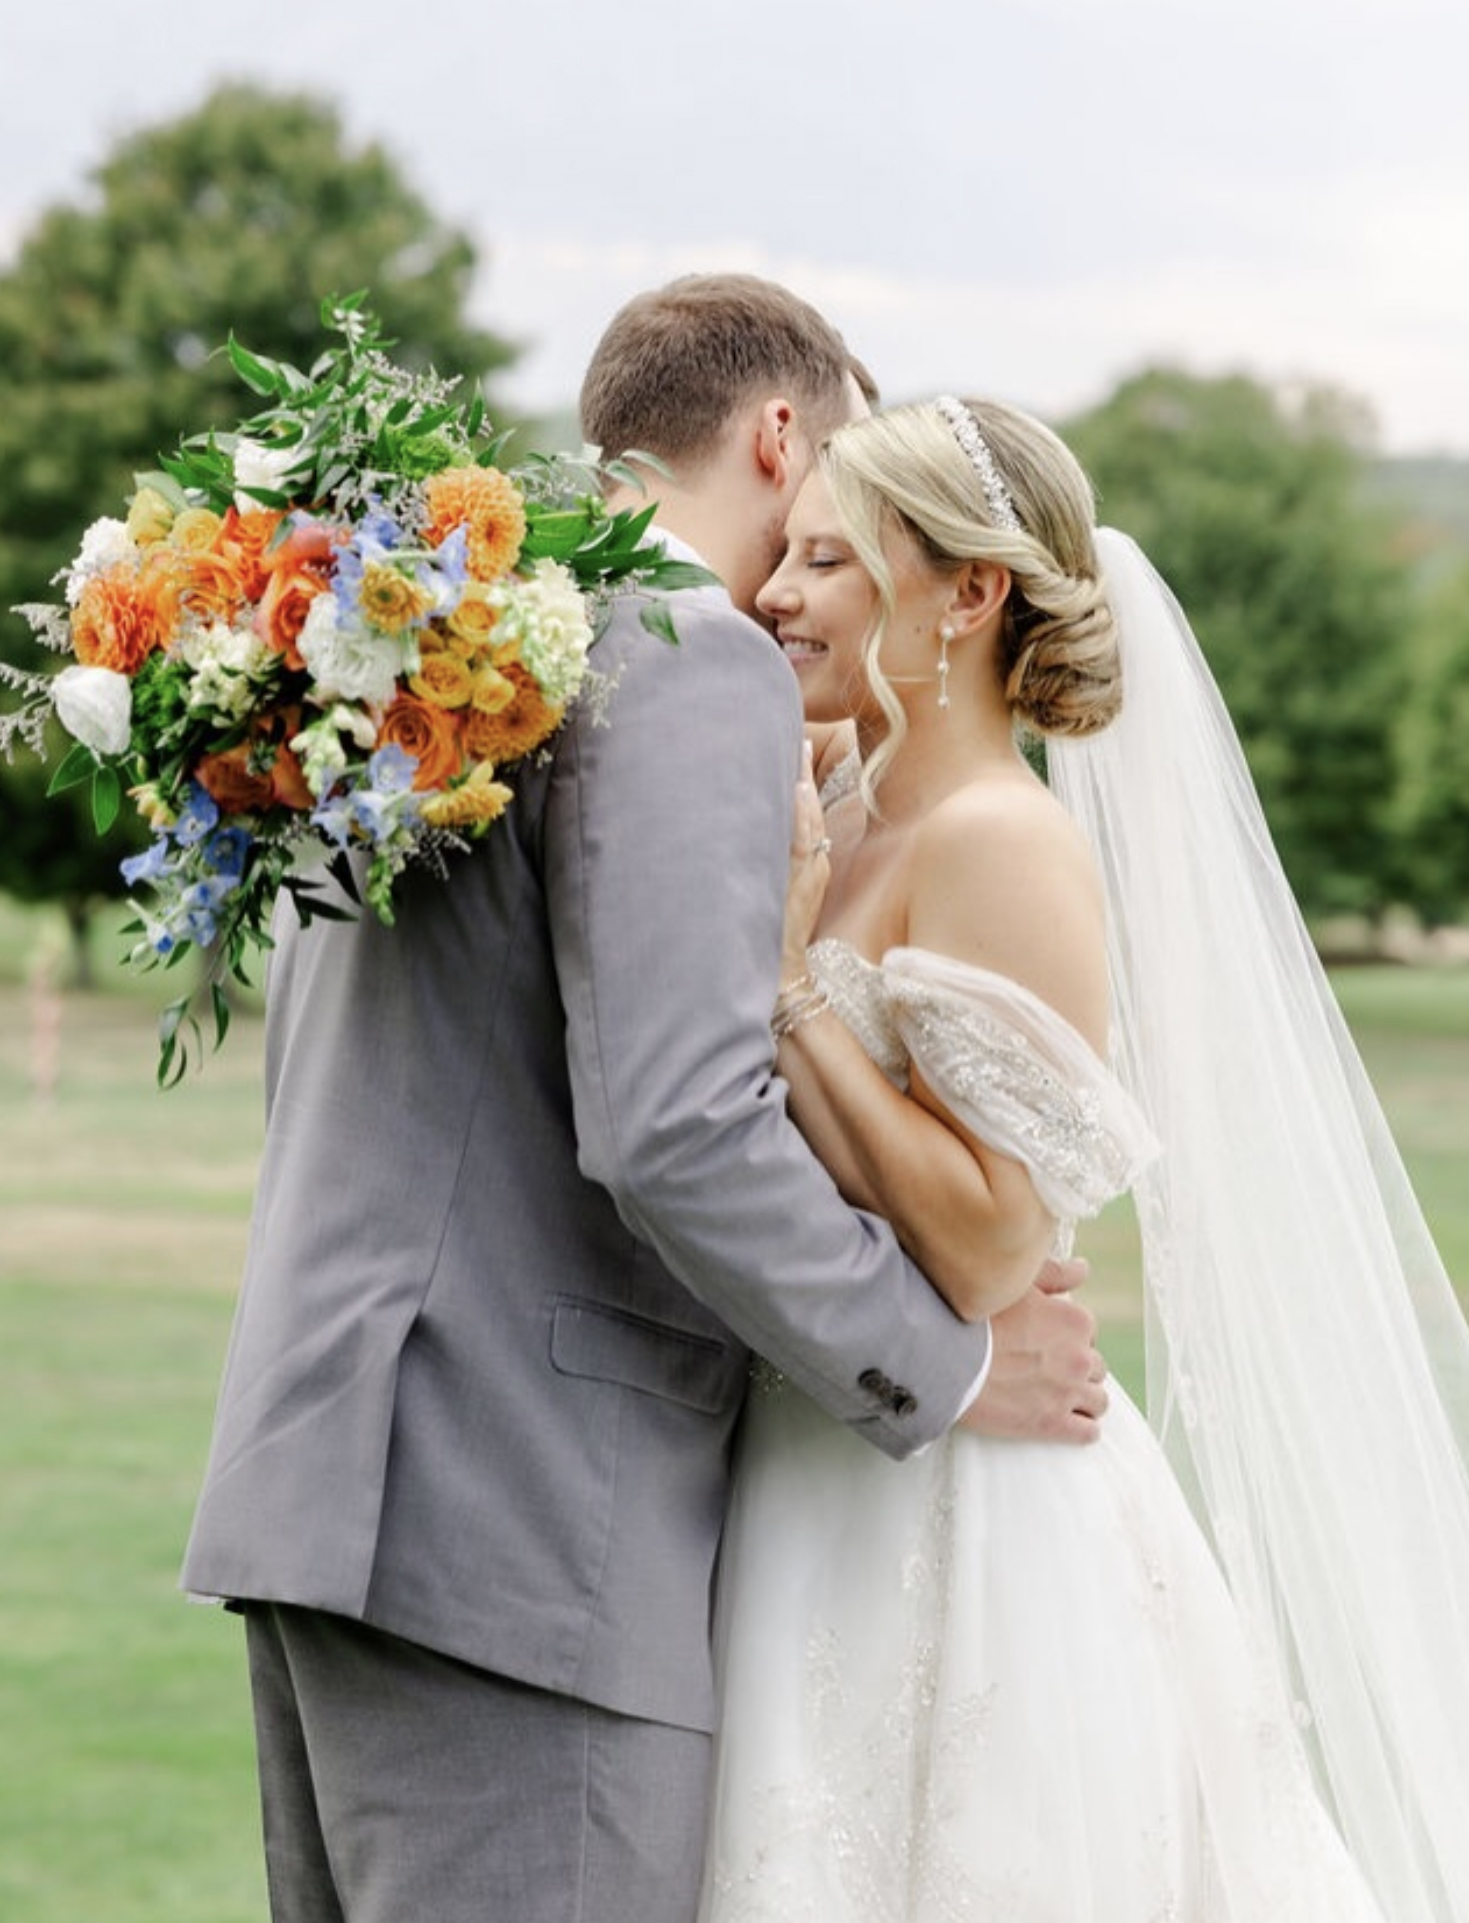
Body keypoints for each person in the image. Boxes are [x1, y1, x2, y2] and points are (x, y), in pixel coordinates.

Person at [179, 278, 1106, 1923]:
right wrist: (947, 1366)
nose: (803, 582)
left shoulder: (429, 634)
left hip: (331, 1474)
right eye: (813, 523)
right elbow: (674, 1123)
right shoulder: (674, 654)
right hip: (524, 1522)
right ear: (775, 436)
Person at [696, 394, 1469, 1921]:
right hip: (813, 1468)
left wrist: (791, 993)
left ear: (966, 594)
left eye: (831, 562)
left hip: (965, 1519)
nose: (774, 592)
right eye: (785, 554)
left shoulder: (999, 838)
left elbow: (994, 1244)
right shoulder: (843, 815)